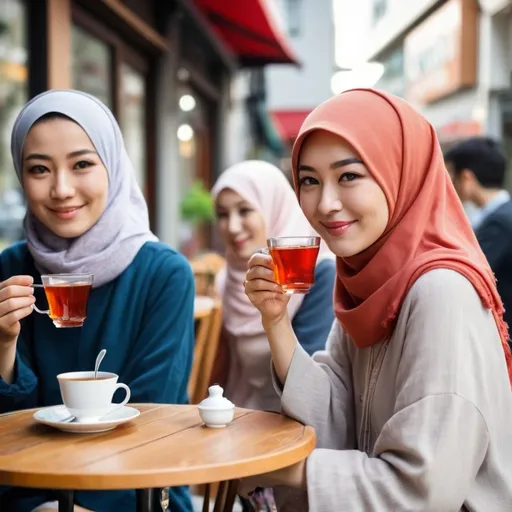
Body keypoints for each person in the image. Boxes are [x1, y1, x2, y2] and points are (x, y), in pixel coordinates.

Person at [241, 89, 512, 511]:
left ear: (399, 172)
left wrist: (274, 467)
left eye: (348, 176)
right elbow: (336, 418)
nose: (325, 204)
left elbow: (420, 489)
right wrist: (275, 321)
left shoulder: (441, 290)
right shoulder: (368, 279)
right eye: (309, 180)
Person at [0, 90, 194, 512]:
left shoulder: (162, 274)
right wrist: (3, 345)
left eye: (82, 164)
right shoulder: (11, 270)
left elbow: (152, 421)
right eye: (39, 169)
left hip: (137, 489)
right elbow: (8, 432)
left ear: (114, 166)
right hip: (28, 491)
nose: (62, 189)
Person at [211, 160, 335, 413]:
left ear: (275, 208)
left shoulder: (318, 274)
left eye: (244, 210)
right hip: (239, 416)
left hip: (299, 427)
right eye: (223, 215)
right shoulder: (225, 280)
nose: (232, 226)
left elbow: (312, 382)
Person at [444, 136, 512, 333]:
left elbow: (466, 276)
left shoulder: (498, 223)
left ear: (467, 178)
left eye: (451, 177)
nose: (450, 185)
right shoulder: (502, 214)